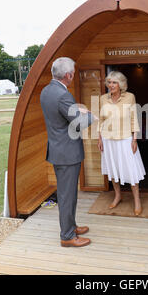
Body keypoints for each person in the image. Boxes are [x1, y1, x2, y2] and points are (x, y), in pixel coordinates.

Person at [40, 57, 96, 247]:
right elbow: (77, 125)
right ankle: (67, 236)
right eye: (72, 72)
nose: (72, 75)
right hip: (67, 153)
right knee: (67, 195)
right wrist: (90, 116)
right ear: (68, 75)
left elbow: (60, 118)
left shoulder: (46, 91)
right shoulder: (63, 95)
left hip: (58, 150)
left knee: (68, 193)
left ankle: (71, 226)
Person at [98, 71, 146, 216]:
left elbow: (133, 119)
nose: (111, 85)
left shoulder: (129, 97)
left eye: (114, 82)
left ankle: (137, 200)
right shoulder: (103, 99)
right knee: (113, 169)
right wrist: (99, 138)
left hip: (125, 139)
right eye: (109, 82)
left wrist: (134, 139)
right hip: (108, 140)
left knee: (131, 170)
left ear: (121, 84)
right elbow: (101, 120)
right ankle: (118, 196)